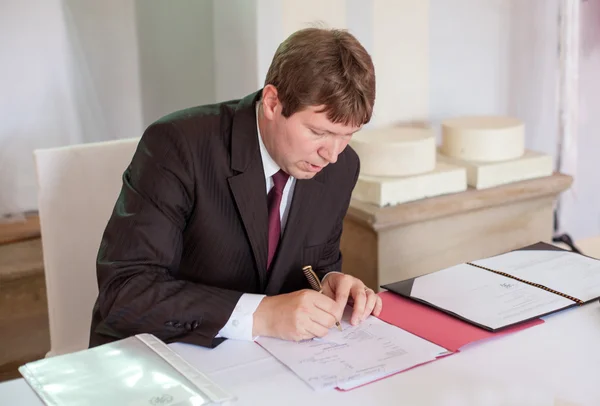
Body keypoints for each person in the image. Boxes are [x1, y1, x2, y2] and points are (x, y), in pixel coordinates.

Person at [89, 27, 382, 349]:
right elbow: (127, 291)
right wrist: (263, 315)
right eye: (317, 132)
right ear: (272, 102)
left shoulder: (342, 167)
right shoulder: (177, 145)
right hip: (163, 352)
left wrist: (328, 283)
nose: (332, 154)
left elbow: (314, 263)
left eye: (348, 134)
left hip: (267, 358)